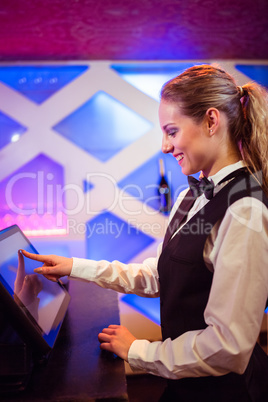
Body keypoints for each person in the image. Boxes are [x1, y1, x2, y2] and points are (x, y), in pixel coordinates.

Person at [21, 65, 268, 401]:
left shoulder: (246, 211)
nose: (165, 146)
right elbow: (164, 275)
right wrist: (74, 266)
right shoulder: (190, 194)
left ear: (211, 121)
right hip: (187, 385)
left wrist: (138, 350)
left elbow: (228, 346)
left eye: (171, 131)